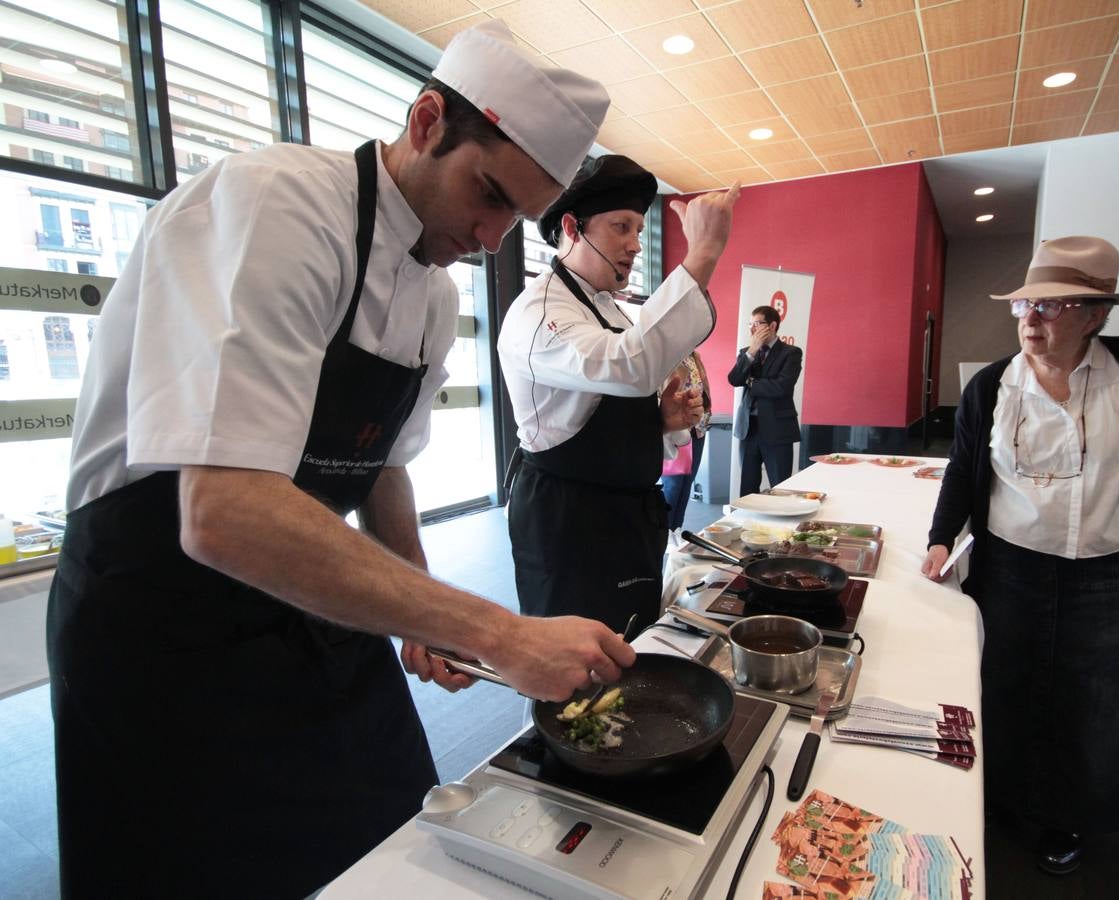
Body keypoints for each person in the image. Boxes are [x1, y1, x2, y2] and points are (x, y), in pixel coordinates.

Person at [45, 22, 637, 899]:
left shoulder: (432, 298)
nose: (490, 235)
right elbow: (224, 513)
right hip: (156, 613)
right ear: (428, 120)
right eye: (488, 193)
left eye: (517, 215)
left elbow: (381, 466)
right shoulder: (274, 205)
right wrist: (499, 633)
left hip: (304, 592)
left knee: (385, 833)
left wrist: (421, 614)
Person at [919, 236, 1119, 876]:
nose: (1031, 318)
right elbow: (964, 471)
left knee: (1101, 699)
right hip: (1015, 563)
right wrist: (941, 538)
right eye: (1026, 304)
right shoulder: (992, 385)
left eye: (1053, 307)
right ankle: (1006, 796)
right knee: (1010, 685)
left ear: (1096, 315)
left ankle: (1071, 816)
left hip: (1115, 567)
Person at [497, 154, 739, 633]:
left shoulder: (615, 311)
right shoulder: (539, 313)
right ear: (572, 227)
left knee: (634, 643)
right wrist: (704, 252)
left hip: (628, 515)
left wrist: (661, 419)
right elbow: (627, 364)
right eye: (620, 227)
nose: (633, 245)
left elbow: (626, 384)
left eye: (638, 231)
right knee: (570, 666)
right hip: (568, 524)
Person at [729, 305, 803, 496]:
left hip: (777, 429)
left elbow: (781, 387)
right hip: (749, 428)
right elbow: (734, 379)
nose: (752, 329)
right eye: (750, 324)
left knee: (780, 487)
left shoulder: (791, 353)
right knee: (747, 488)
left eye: (757, 324)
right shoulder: (746, 351)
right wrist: (752, 352)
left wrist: (751, 382)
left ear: (772, 325)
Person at [662, 350, 713, 539]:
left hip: (697, 427)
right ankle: (664, 532)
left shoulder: (694, 356)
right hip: (676, 427)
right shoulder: (669, 353)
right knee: (674, 483)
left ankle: (675, 529)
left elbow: (703, 389)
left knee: (687, 483)